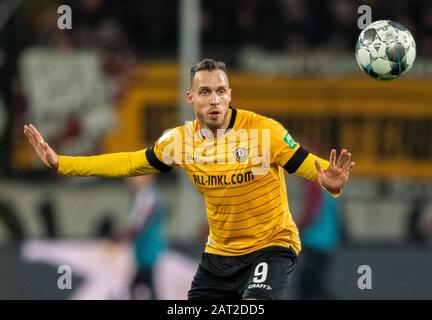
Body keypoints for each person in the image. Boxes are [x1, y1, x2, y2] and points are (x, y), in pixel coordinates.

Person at [24, 58, 355, 300]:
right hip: (220, 256)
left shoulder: (264, 132)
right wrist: (62, 163)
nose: (214, 99)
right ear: (191, 98)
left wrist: (331, 181)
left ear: (230, 95)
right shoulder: (179, 142)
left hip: (271, 246)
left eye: (221, 91)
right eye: (206, 91)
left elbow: (310, 166)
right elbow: (128, 163)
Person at [296, 179, 341, 299]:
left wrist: (293, 230)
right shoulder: (329, 189)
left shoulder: (314, 188)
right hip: (327, 244)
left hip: (315, 244)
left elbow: (309, 215)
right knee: (313, 285)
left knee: (308, 287)